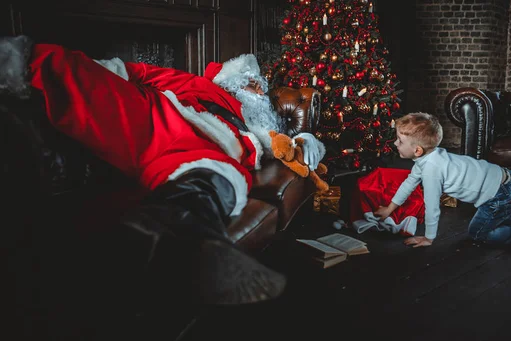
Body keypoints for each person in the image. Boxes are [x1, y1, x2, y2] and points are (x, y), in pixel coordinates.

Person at [0, 35, 326, 306]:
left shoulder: (255, 124)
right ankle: (16, 65)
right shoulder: (197, 84)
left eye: (260, 85)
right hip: (158, 117)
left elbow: (281, 143)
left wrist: (306, 137)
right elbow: (134, 72)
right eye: (253, 83)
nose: (259, 90)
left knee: (223, 174)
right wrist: (104, 72)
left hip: (200, 152)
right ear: (233, 80)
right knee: (88, 82)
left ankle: (179, 239)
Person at [374, 112, 511, 248]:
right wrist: (389, 209)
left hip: (501, 194)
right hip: (507, 180)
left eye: (399, 141)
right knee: (499, 220)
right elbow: (409, 183)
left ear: (417, 150)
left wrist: (429, 237)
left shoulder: (431, 170)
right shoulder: (430, 158)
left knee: (479, 232)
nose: (395, 143)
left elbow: (432, 207)